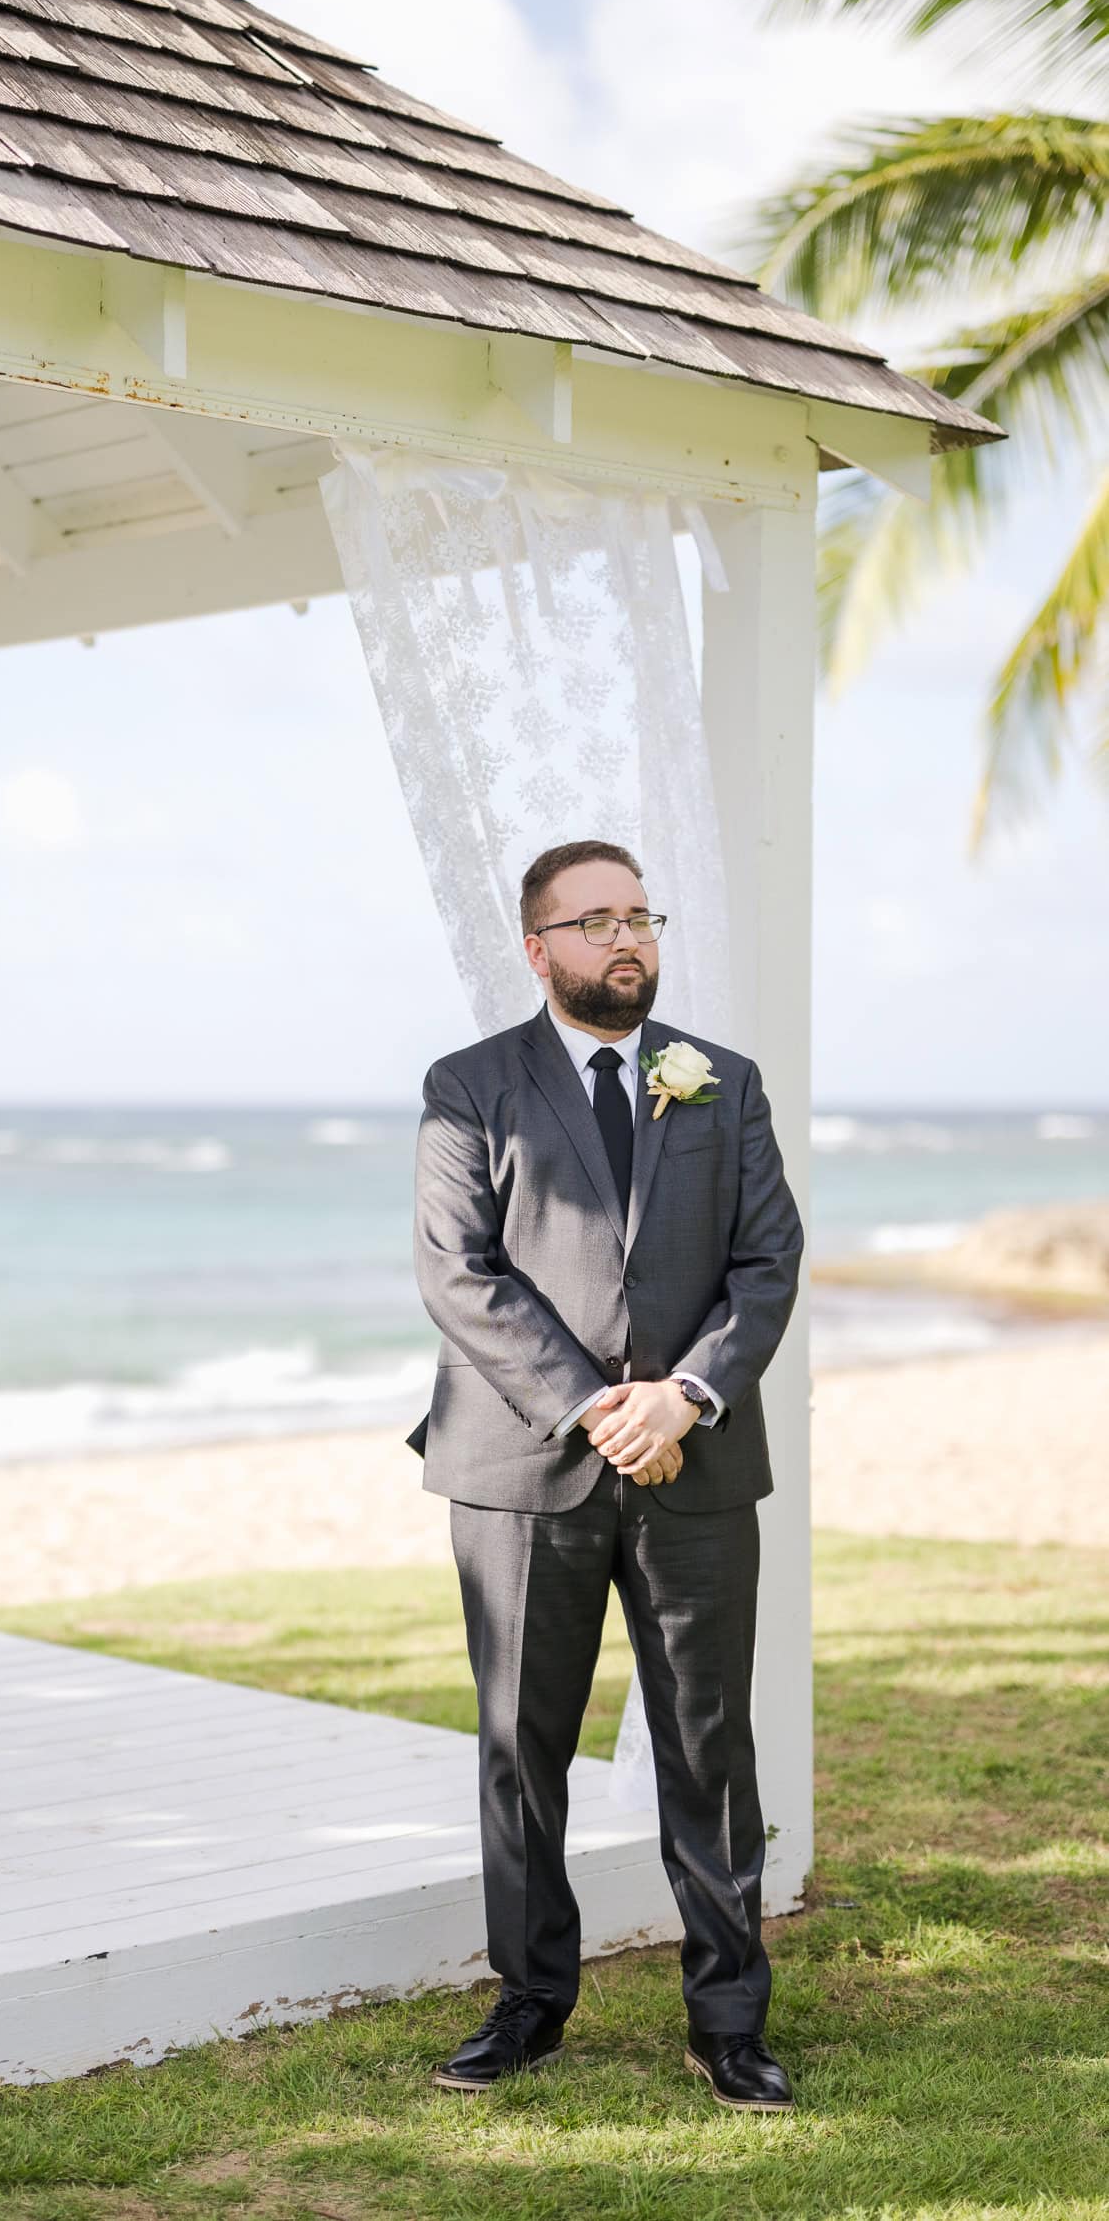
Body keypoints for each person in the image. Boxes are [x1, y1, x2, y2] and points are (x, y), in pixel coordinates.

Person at [410, 838, 804, 2112]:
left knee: (710, 1743)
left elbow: (767, 1262)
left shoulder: (721, 1083)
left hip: (695, 1460)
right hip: (524, 1467)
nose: (625, 939)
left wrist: (684, 1394)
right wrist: (599, 1409)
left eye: (639, 915)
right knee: (523, 1746)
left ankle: (729, 2020)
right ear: (539, 948)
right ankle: (530, 2005)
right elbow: (462, 1276)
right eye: (594, 921)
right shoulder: (468, 1086)